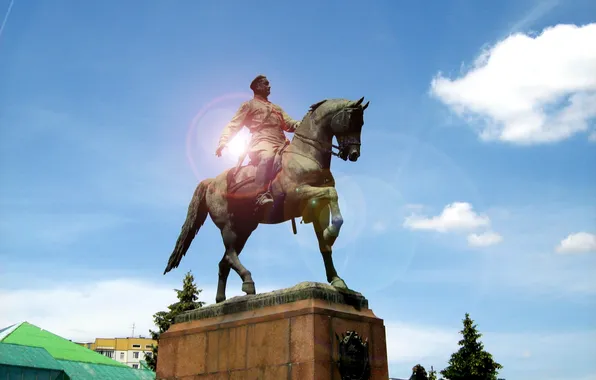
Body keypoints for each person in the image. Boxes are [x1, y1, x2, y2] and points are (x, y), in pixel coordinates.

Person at [216, 75, 301, 206]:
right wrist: (223, 141)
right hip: (261, 142)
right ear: (257, 87)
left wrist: (299, 124)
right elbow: (233, 125)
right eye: (266, 84)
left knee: (299, 159)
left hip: (281, 143)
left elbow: (288, 123)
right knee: (268, 157)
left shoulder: (276, 108)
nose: (269, 86)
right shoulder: (248, 105)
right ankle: (260, 194)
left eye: (269, 84)